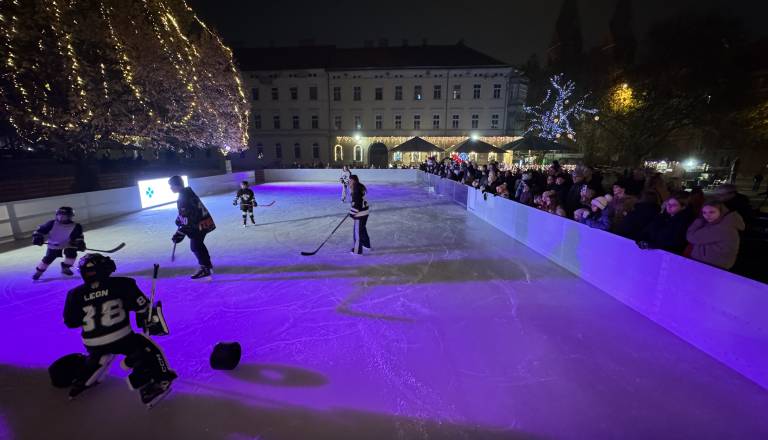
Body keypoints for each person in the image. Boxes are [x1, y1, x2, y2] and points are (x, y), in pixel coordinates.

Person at [62, 253, 176, 407]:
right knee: (146, 348)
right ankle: (156, 382)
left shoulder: (74, 294)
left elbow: (71, 322)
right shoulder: (123, 284)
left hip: (91, 343)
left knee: (96, 353)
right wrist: (147, 317)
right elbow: (142, 307)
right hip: (121, 338)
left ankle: (86, 375)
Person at [169, 175, 216, 279]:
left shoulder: (183, 198)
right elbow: (187, 212)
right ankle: (207, 265)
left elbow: (187, 219)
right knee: (198, 245)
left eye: (171, 186)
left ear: (176, 186)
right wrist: (179, 218)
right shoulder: (188, 192)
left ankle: (205, 268)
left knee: (195, 246)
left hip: (198, 225)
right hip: (203, 222)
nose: (170, 188)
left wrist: (179, 233)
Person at [686, 200, 745, 270]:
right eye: (704, 212)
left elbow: (691, 237)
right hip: (708, 264)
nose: (707, 215)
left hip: (713, 267)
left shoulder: (723, 228)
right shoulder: (718, 222)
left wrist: (699, 219)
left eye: (712, 212)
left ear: (722, 211)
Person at [32, 207, 86, 280]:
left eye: (64, 216)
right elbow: (41, 230)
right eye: (59, 215)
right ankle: (39, 271)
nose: (61, 217)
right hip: (54, 244)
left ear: (70, 216)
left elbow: (78, 236)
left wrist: (79, 242)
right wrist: (37, 236)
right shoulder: (51, 223)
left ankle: (65, 267)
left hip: (69, 243)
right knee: (48, 258)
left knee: (71, 256)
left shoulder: (76, 226)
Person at [348, 174, 370, 255]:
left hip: (360, 214)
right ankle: (367, 245)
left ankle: (357, 250)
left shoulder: (356, 190)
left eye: (350, 181)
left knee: (357, 233)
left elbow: (357, 204)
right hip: (365, 212)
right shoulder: (360, 186)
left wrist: (352, 213)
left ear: (354, 181)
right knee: (362, 229)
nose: (349, 182)